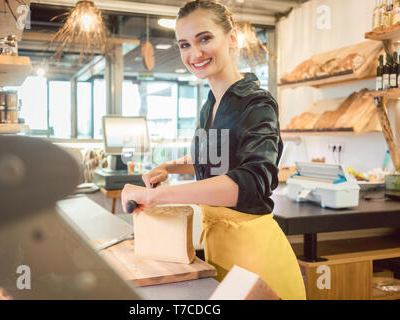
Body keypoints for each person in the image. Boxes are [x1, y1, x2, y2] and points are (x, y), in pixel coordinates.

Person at [121, 0, 306, 300]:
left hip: (257, 257)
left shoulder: (257, 104)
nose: (194, 54)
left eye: (204, 38)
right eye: (184, 45)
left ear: (231, 38)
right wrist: (170, 168)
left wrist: (156, 196)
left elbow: (249, 182)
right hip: (219, 250)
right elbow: (211, 162)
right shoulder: (210, 105)